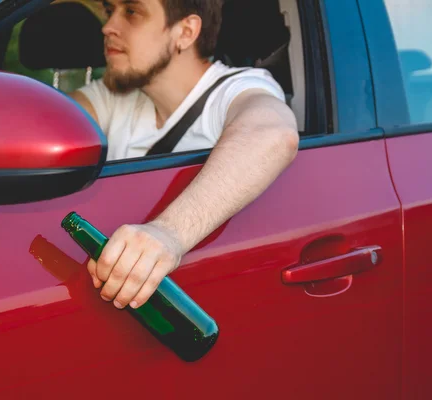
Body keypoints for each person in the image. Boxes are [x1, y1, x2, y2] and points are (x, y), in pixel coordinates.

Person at [69, 0, 299, 310]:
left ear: (186, 32)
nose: (108, 27)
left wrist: (167, 234)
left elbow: (271, 134)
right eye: (111, 11)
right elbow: (44, 124)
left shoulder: (235, 89)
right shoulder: (115, 97)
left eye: (132, 12)